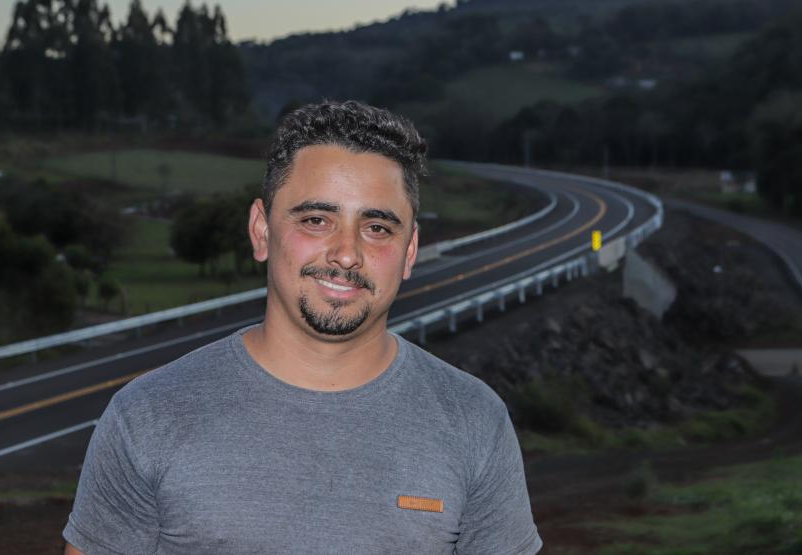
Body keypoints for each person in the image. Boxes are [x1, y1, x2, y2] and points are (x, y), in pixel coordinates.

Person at [63, 100, 542, 554]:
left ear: (410, 250)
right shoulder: (147, 416)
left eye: (377, 228)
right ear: (261, 230)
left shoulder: (474, 421)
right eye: (316, 219)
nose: (347, 253)